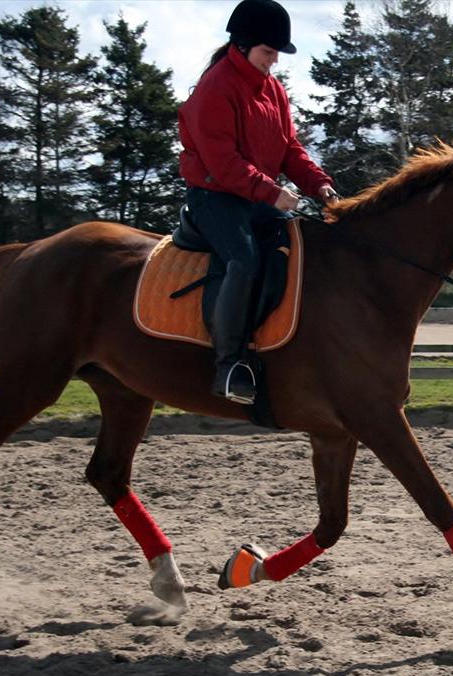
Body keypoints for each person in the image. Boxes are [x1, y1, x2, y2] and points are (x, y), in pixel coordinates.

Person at [178, 0, 338, 404]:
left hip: (254, 197)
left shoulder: (274, 90)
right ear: (244, 45)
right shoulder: (215, 87)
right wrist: (273, 193)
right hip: (214, 196)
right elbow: (223, 162)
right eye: (269, 53)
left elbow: (290, 150)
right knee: (243, 260)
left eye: (276, 55)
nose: (274, 62)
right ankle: (229, 365)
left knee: (298, 244)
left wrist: (320, 186)